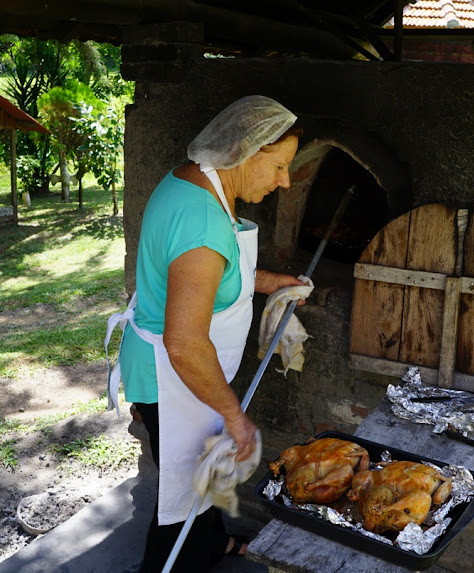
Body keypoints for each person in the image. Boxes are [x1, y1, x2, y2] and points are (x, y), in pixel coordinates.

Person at [105, 95, 304, 572]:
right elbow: (185, 342)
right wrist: (234, 415)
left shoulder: (192, 183)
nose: (285, 180)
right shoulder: (202, 221)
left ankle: (215, 542)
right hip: (174, 378)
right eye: (278, 165)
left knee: (204, 474)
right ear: (245, 151)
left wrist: (271, 282)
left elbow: (208, 275)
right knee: (181, 512)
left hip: (181, 373)